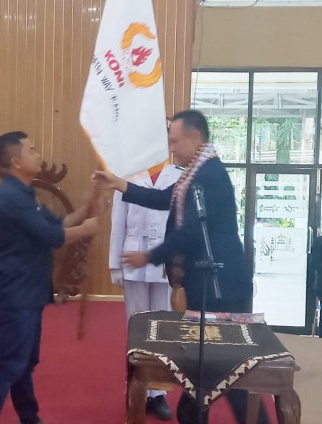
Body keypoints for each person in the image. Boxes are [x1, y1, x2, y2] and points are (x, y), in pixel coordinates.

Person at [94, 109, 265, 424]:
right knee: (217, 371)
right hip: (210, 282)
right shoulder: (194, 175)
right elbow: (163, 199)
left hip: (220, 285)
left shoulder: (208, 176)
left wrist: (150, 256)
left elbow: (190, 233)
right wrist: (120, 184)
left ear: (195, 138)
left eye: (175, 141)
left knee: (227, 370)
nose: (172, 149)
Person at [0, 131, 100, 424]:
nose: (38, 155)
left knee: (25, 363)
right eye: (31, 150)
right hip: (14, 294)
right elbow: (51, 237)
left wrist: (87, 206)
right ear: (16, 161)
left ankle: (30, 417)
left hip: (27, 291)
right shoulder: (12, 197)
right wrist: (86, 229)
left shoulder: (24, 193)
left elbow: (58, 224)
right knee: (10, 364)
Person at [109, 161, 181, 421]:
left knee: (163, 329)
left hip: (164, 257)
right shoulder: (128, 175)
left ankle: (158, 393)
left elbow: (181, 224)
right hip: (134, 255)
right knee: (137, 327)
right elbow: (118, 222)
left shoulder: (178, 176)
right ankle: (136, 389)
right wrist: (114, 264)